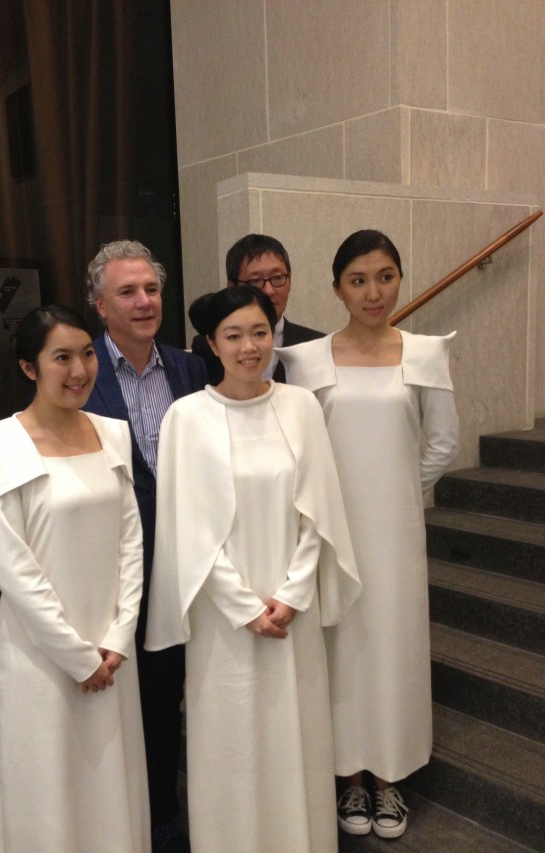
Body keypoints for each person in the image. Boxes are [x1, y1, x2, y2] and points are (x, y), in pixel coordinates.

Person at [146, 285, 361, 853]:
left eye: (259, 332)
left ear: (274, 334)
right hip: (224, 620)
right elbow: (185, 529)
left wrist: (290, 596)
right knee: (233, 742)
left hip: (295, 613)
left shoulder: (301, 406)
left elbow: (320, 513)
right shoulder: (185, 417)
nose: (249, 347)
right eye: (234, 336)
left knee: (297, 736)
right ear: (211, 345)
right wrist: (245, 607)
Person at [0, 305, 149, 852]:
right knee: (51, 775)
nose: (79, 370)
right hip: (44, 650)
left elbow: (131, 540)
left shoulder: (111, 434)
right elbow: (14, 569)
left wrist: (119, 637)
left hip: (111, 644)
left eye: (86, 353)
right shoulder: (0, 448)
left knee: (112, 772)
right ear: (30, 368)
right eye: (61, 358)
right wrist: (77, 656)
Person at [277, 230, 460, 839]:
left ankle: (389, 780)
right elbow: (295, 447)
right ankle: (348, 779)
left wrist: (400, 492)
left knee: (393, 646)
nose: (373, 291)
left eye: (385, 276)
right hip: (328, 530)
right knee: (341, 651)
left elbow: (441, 442)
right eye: (358, 280)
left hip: (397, 531)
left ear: (399, 279)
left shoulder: (425, 352)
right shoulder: (306, 360)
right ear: (336, 289)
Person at [83, 240, 207, 853]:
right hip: (110, 567)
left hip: (184, 564)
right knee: (111, 702)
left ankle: (161, 822)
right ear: (100, 305)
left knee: (165, 699)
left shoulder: (190, 369)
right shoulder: (81, 376)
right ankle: (109, 823)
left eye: (152, 289)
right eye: (127, 292)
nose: (143, 302)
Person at [191, 233, 324, 383]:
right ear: (232, 286)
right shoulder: (207, 347)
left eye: (277, 278)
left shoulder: (317, 345)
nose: (269, 291)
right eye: (256, 281)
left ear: (290, 280)